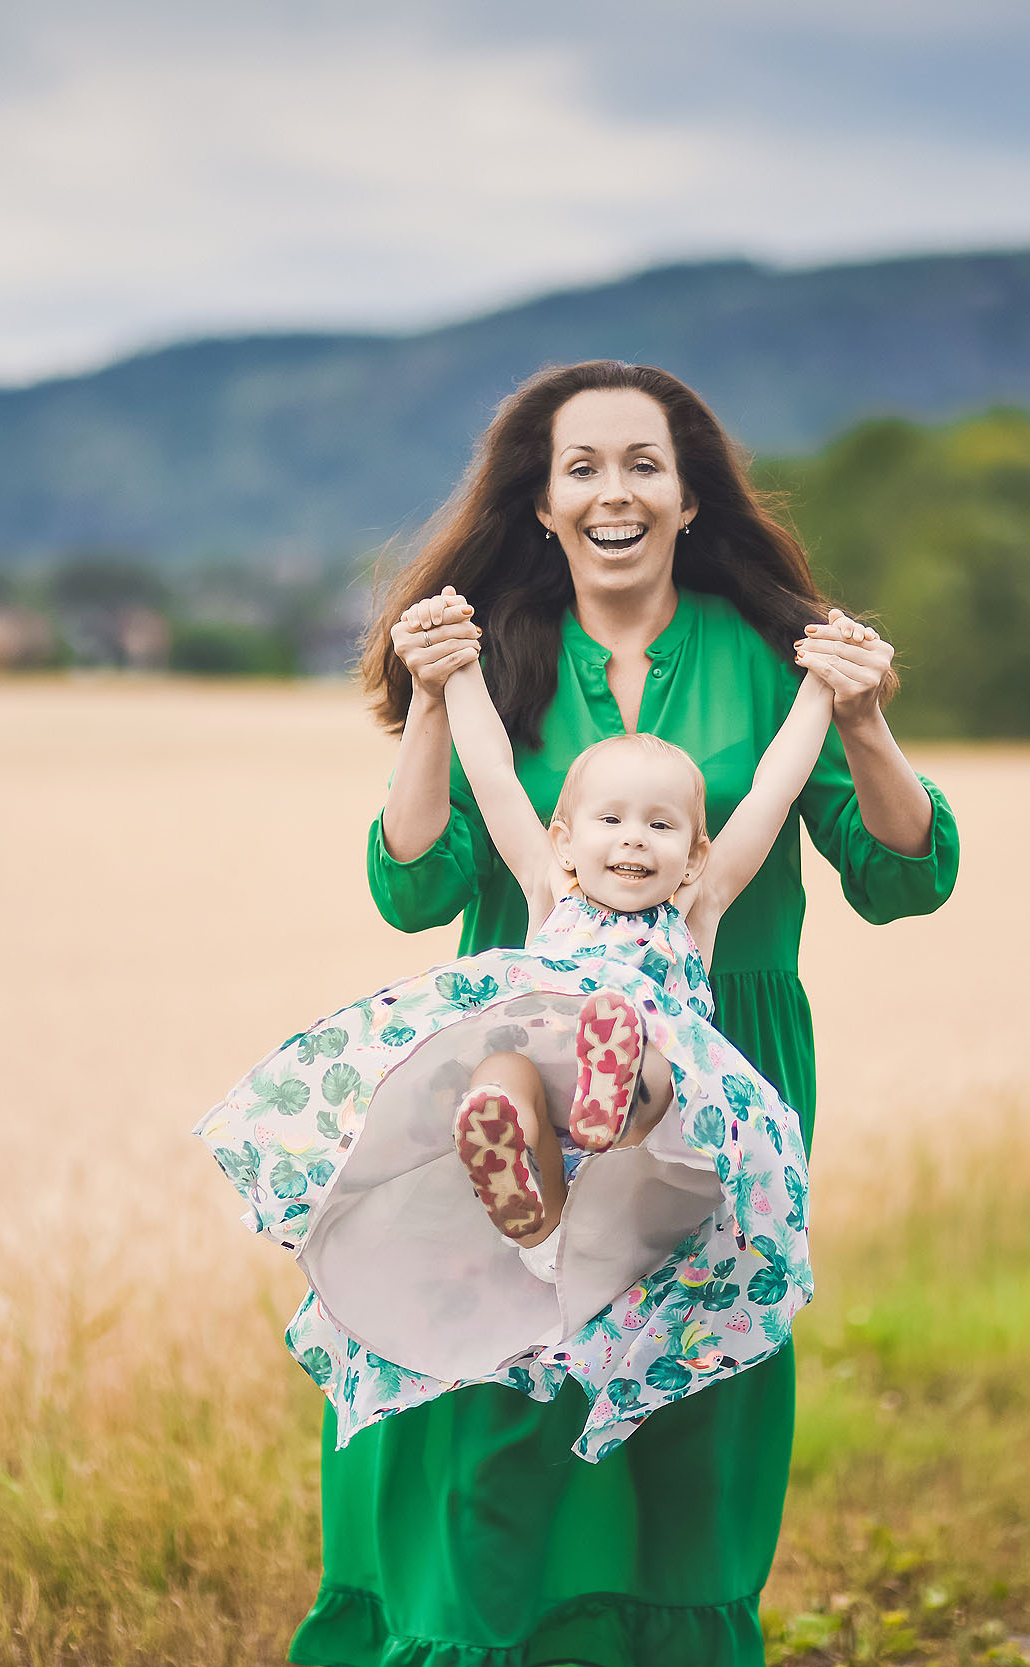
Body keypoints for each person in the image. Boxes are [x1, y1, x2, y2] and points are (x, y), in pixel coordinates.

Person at [323, 361, 955, 1666]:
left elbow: (906, 872)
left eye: (644, 463)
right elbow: (416, 877)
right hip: (517, 1050)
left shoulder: (775, 654)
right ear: (542, 505)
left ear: (689, 495)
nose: (615, 489)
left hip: (717, 1060)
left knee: (686, 1405)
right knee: (496, 1396)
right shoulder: (493, 650)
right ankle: (473, 1644)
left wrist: (867, 719)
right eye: (583, 466)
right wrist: (430, 698)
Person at [198, 610, 860, 1461]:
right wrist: (456, 676)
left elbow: (771, 791)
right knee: (502, 1066)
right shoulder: (550, 890)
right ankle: (517, 1167)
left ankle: (611, 1091)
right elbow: (497, 774)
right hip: (554, 1106)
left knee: (663, 1061)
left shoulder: (701, 908)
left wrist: (819, 692)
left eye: (661, 827)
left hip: (636, 1125)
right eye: (611, 819)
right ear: (564, 840)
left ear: (695, 855)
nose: (633, 838)